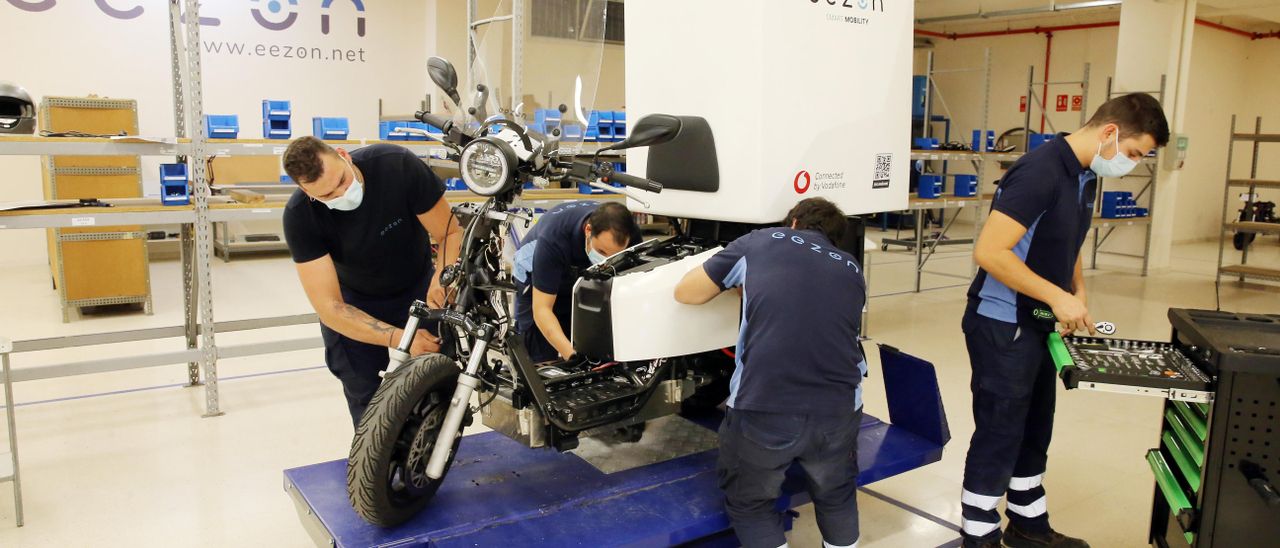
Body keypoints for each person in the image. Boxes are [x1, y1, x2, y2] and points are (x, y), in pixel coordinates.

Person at [959, 93, 1169, 548]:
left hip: (1037, 319)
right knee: (1000, 432)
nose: (1131, 164)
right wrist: (1056, 296)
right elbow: (989, 252)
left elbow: (1066, 240)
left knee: (1035, 426)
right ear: (1109, 132)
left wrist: (1078, 293)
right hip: (1002, 323)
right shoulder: (1039, 172)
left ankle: (1028, 524)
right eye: (1133, 154)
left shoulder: (1084, 175)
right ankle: (978, 536)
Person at [674, 197, 867, 548]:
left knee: (751, 505)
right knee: (836, 495)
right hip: (839, 408)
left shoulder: (759, 241)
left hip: (765, 404)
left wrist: (742, 290)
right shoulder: (852, 269)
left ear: (792, 222)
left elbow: (686, 293)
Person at [281, 137, 462, 427]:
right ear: (306, 191)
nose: (341, 195)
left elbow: (450, 233)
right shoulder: (300, 216)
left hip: (419, 288)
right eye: (327, 196)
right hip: (354, 302)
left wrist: (443, 278)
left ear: (343, 155)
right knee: (367, 402)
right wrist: (400, 338)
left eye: (341, 181)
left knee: (434, 386)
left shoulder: (396, 165)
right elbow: (330, 308)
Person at [512, 200, 642, 362]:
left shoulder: (629, 234)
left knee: (592, 342)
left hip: (577, 275)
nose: (606, 260)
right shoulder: (554, 239)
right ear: (588, 230)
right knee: (540, 357)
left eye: (614, 255)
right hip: (534, 277)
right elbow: (542, 310)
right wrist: (573, 357)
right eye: (601, 251)